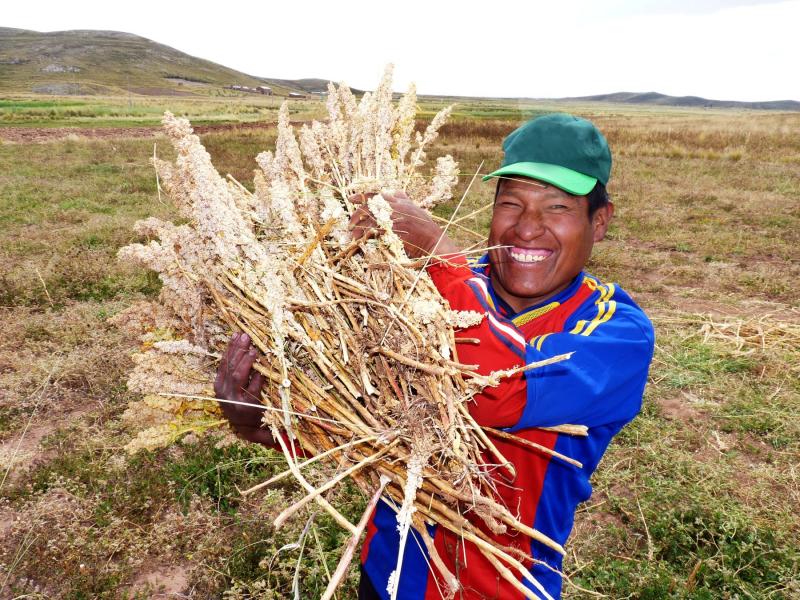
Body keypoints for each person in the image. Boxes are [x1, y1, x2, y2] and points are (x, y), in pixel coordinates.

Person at [215, 113, 655, 600]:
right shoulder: (416, 288)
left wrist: (437, 255)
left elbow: (495, 390)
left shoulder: (617, 334)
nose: (528, 228)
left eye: (557, 207)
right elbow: (367, 425)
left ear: (600, 221)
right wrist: (267, 424)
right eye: (511, 204)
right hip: (388, 579)